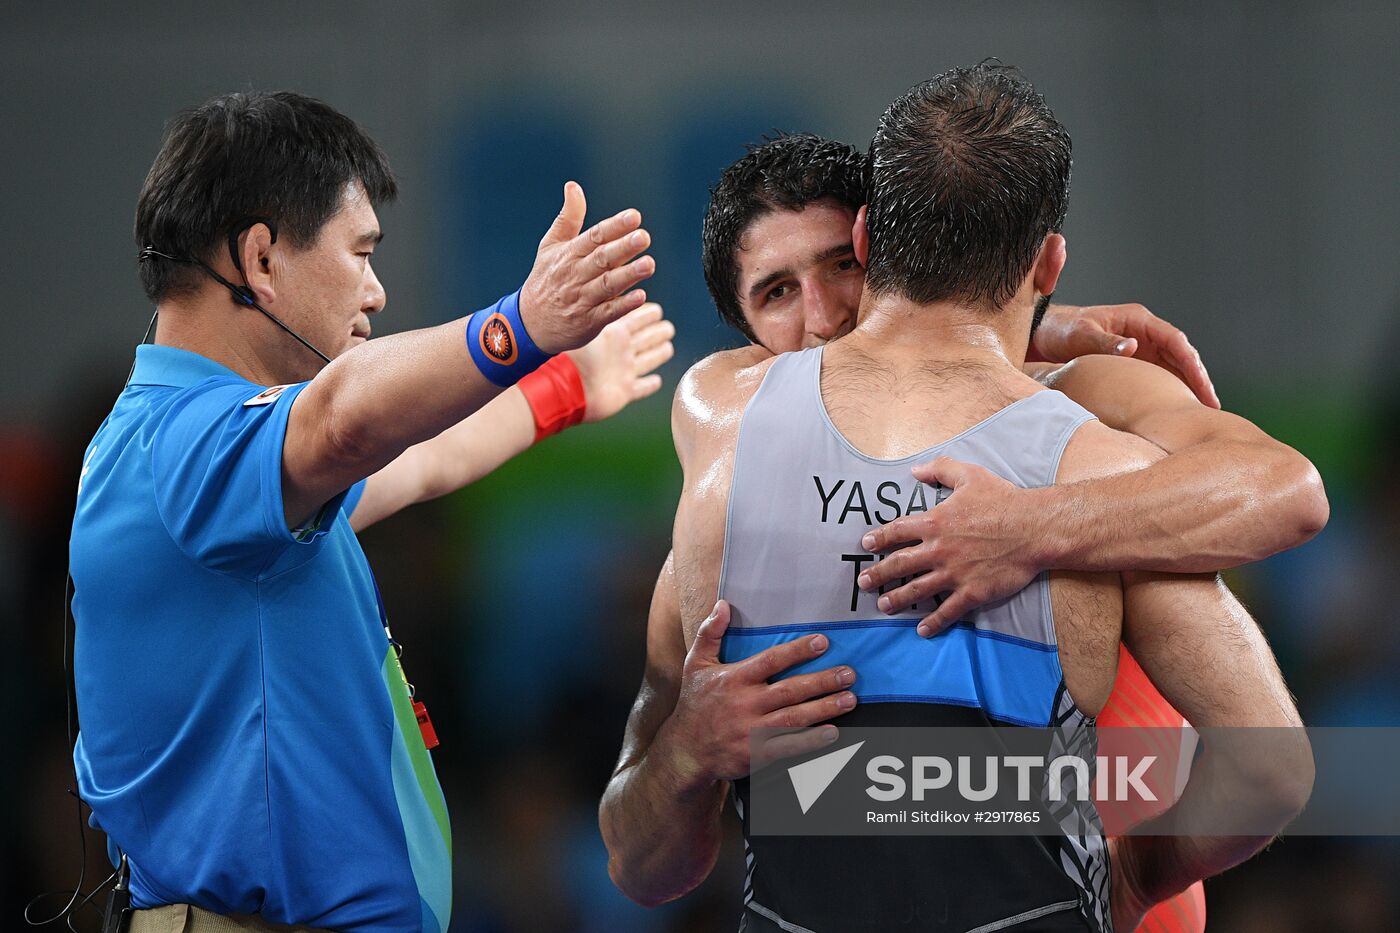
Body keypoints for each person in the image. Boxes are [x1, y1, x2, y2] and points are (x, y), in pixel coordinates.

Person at [602, 65, 1314, 931]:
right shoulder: (730, 446)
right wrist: (684, 753)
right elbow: (1272, 762)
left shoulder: (1089, 399)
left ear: (874, 245)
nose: (823, 317)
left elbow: (1288, 490)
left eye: (836, 269)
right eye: (779, 293)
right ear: (1043, 258)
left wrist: (1028, 524)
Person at [69, 90, 665, 933]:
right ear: (261, 261)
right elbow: (343, 417)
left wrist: (568, 386)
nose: (378, 291)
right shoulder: (186, 444)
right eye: (361, 252)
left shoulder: (222, 467)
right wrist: (521, 326)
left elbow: (414, 460)